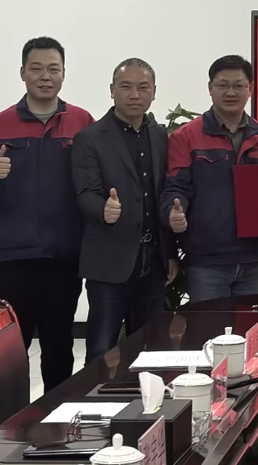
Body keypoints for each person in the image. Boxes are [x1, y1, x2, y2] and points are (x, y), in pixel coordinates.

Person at [0, 36, 94, 392]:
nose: (45, 76)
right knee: (10, 352)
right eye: (36, 69)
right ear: (22, 73)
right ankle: (10, 421)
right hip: (13, 260)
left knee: (59, 346)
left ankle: (57, 416)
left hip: (64, 257)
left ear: (64, 74)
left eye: (53, 69)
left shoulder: (82, 122)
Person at [71, 58, 179, 364]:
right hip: (109, 259)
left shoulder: (159, 135)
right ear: (112, 90)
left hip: (152, 261)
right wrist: (103, 209)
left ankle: (144, 396)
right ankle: (95, 395)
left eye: (143, 87)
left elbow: (164, 195)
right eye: (126, 87)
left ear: (154, 92)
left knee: (150, 347)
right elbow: (85, 193)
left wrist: (170, 253)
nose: (134, 95)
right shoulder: (90, 138)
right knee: (101, 350)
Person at [160, 55, 258, 303]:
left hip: (254, 259)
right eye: (222, 85)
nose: (230, 92)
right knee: (209, 326)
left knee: (249, 327)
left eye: (238, 85)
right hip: (207, 262)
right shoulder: (186, 137)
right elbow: (176, 187)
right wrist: (173, 213)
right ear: (210, 88)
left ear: (250, 89)